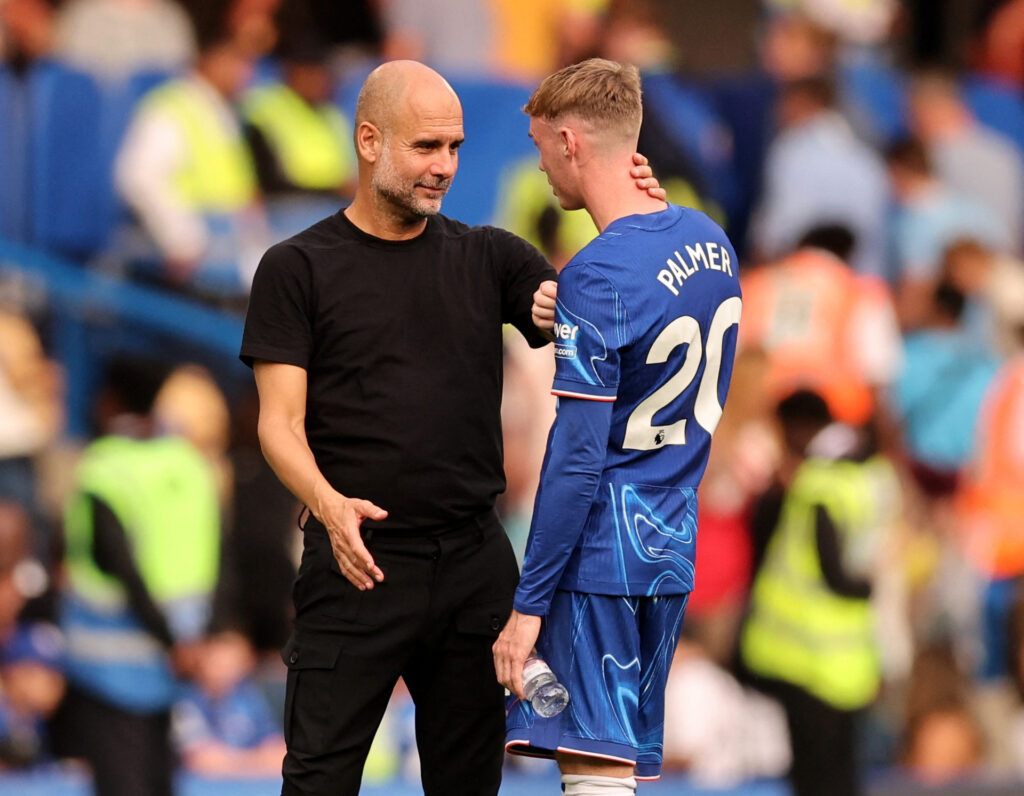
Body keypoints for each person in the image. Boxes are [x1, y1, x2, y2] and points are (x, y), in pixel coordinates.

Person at [239, 59, 664, 795]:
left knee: (468, 784)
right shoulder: (296, 267)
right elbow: (278, 423)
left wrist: (637, 214)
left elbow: (585, 299)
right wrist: (329, 504)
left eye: (456, 148)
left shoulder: (489, 256)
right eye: (426, 147)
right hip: (357, 561)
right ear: (369, 141)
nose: (445, 166)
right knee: (317, 781)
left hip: (473, 565)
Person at [492, 58, 742, 794]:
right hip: (670, 545)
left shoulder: (595, 276)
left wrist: (527, 605)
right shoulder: (713, 243)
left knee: (595, 770)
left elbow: (574, 457)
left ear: (572, 142)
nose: (539, 168)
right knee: (623, 766)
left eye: (541, 148)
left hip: (601, 549)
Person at [50, 357, 222, 796]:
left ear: (110, 402)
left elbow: (121, 568)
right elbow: (219, 557)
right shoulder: (191, 465)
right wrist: (198, 640)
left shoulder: (103, 469)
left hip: (112, 671)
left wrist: (171, 640)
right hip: (179, 667)